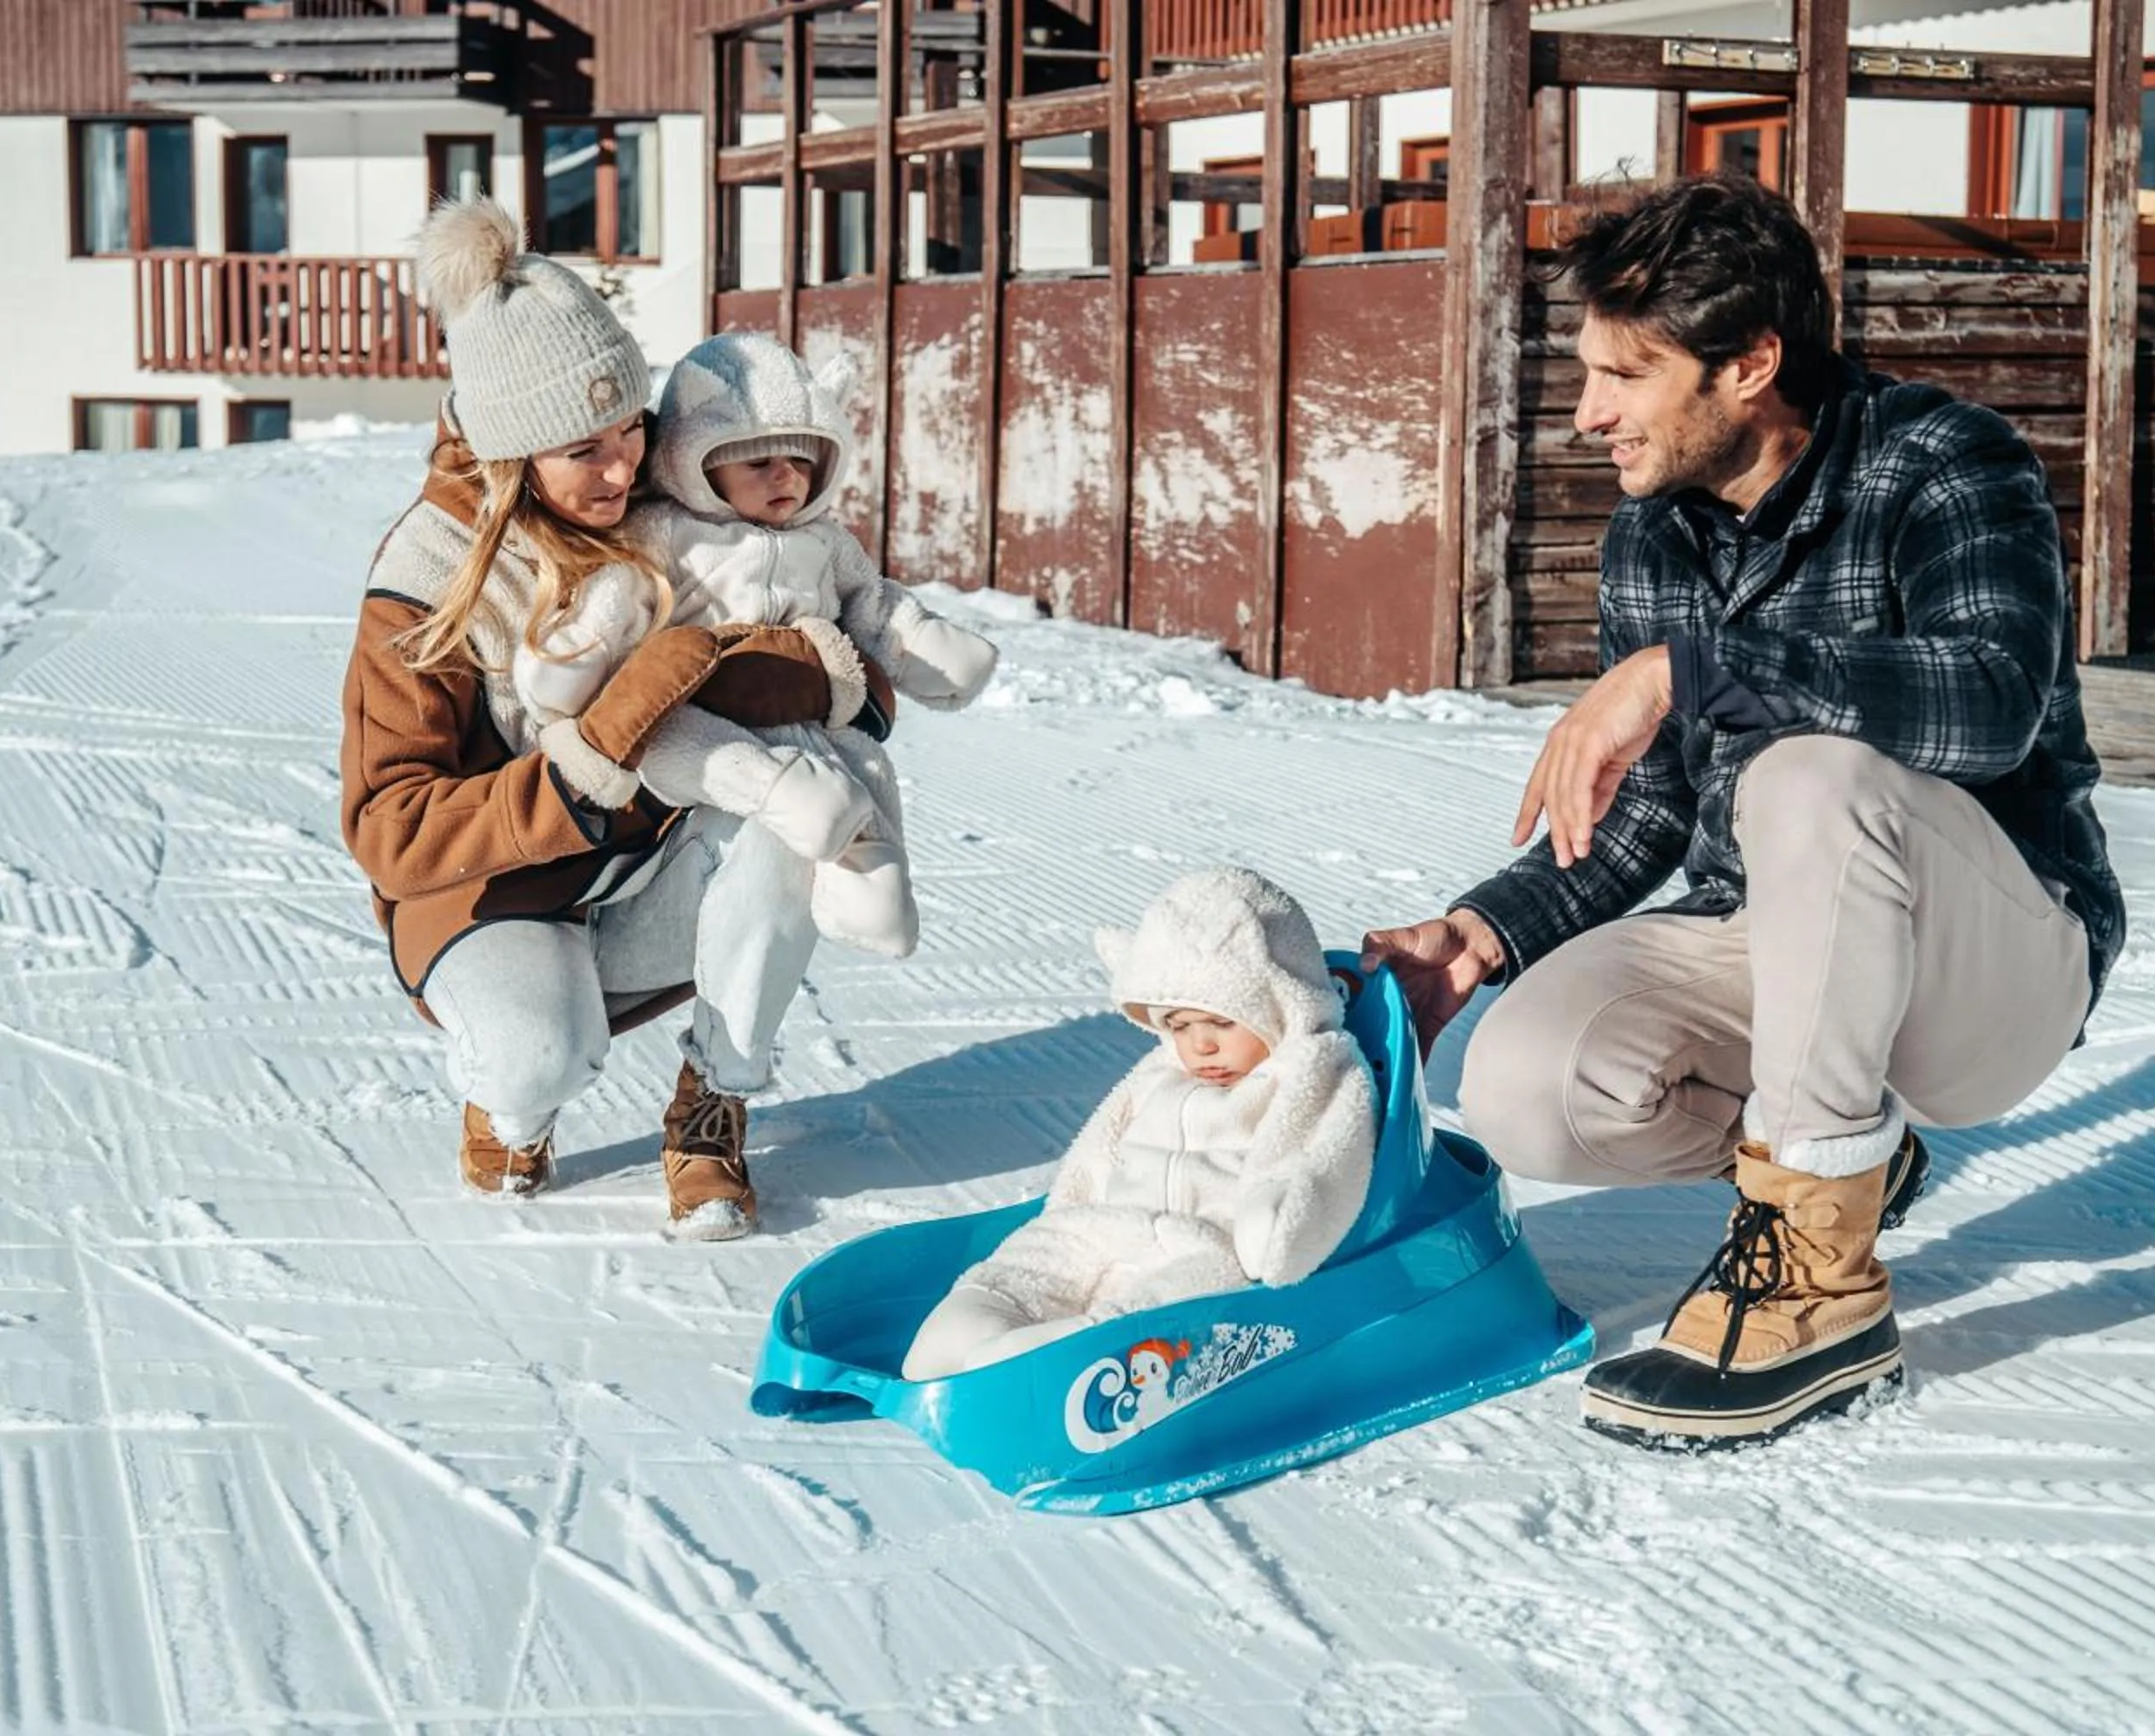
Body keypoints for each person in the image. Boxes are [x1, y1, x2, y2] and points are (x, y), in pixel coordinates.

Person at [1362, 174, 2125, 1449]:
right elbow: (1652, 814)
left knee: (1806, 774)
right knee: (1528, 1083)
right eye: (1587, 373)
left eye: (1624, 376)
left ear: (1751, 365)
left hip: (1992, 965)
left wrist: (1699, 671)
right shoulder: (1655, 535)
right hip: (1782, 936)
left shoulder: (1945, 464)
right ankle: (1845, 1161)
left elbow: (1992, 703)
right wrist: (1480, 935)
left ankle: (1822, 1286)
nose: (1587, 415)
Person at [338, 196, 865, 1239]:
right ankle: (512, 1105)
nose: (623, 467)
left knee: (796, 821)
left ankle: (712, 1106)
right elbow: (389, 828)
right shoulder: (427, 581)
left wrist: (812, 673)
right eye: (586, 446)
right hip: (492, 898)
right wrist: (586, 756)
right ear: (513, 451)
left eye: (633, 428)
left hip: (644, 869)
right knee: (541, 1052)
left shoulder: (666, 505)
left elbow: (841, 625)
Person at [513, 330, 999, 965]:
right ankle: (780, 792)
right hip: (693, 708)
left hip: (803, 713)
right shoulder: (668, 533)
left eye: (800, 460)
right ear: (698, 462)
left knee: (864, 765)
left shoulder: (823, 540)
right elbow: (620, 594)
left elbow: (871, 601)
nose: (785, 476)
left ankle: (871, 889)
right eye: (758, 462)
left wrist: (925, 647)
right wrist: (571, 658)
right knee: (682, 740)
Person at [903, 868, 1379, 1381]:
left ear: (1282, 1000)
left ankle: (1077, 1350)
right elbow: (1101, 1143)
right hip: (1111, 1223)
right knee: (1039, 1256)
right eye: (1179, 1025)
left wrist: (1275, 1222)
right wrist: (1071, 1208)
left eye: (1223, 1022)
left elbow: (1326, 1156)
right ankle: (984, 1311)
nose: (1201, 1045)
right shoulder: (1162, 1070)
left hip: (1207, 1244)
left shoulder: (1309, 1070)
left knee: (1186, 1290)